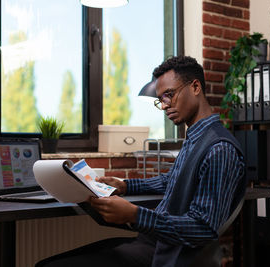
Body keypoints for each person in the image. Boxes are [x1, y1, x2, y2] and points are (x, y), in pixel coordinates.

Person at [36, 55, 246, 267]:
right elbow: (171, 180)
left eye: (169, 95)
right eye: (161, 100)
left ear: (195, 87)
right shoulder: (196, 137)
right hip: (155, 243)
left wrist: (136, 215)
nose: (164, 106)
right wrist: (125, 185)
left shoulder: (219, 149)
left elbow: (203, 229)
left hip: (171, 255)